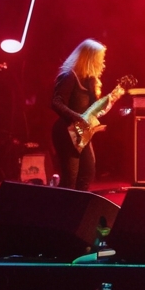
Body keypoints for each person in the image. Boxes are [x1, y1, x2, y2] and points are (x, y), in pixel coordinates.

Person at [50, 39, 110, 191]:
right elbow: (56, 102)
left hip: (81, 132)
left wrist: (114, 96)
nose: (102, 62)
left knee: (87, 173)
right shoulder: (69, 76)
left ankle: (78, 210)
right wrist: (78, 117)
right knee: (70, 178)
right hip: (66, 132)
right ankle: (63, 211)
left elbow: (95, 110)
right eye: (99, 58)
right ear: (90, 58)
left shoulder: (90, 80)